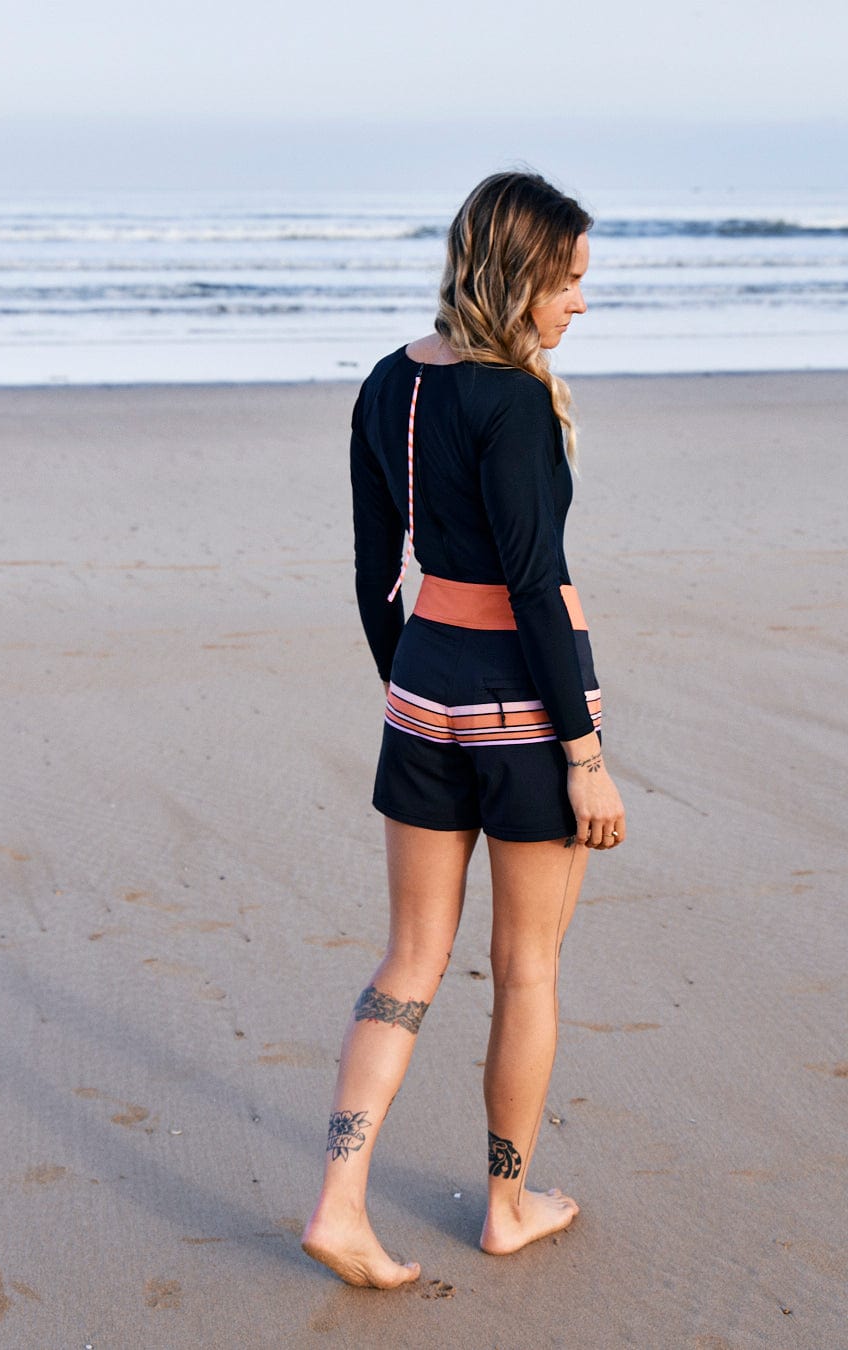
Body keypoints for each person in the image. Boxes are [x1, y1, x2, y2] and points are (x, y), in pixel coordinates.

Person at [301, 171, 626, 1288]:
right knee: (525, 965)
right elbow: (537, 586)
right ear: (520, 270)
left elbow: (370, 566)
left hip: (425, 693)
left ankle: (341, 1203)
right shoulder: (516, 400)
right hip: (528, 707)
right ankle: (506, 1203)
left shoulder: (392, 382)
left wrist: (414, 687)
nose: (580, 304)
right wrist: (583, 757)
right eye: (569, 281)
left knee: (409, 959)